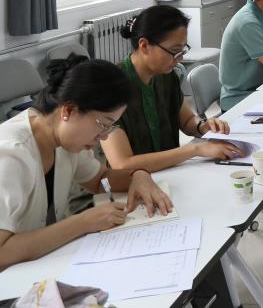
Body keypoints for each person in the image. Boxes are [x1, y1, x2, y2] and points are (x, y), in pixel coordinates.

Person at [0, 55, 173, 271]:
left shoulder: (64, 136)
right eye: (103, 124)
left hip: (44, 263)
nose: (104, 136)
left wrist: (138, 175)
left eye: (110, 127)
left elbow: (100, 180)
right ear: (68, 110)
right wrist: (83, 223)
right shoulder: (10, 154)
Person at [100, 5, 242, 171]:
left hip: (169, 173)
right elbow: (122, 164)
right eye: (174, 52)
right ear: (144, 45)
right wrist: (195, 149)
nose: (179, 59)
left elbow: (187, 121)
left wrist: (203, 126)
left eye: (182, 51)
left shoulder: (166, 75)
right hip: (132, 182)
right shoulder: (110, 88)